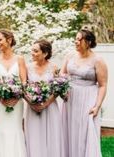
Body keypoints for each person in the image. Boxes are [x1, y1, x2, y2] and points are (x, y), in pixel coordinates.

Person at [60, 29, 108, 157]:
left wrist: (97, 106)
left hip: (88, 99)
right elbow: (62, 75)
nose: (76, 42)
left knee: (85, 132)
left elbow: (103, 85)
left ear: (88, 42)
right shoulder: (70, 56)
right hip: (70, 99)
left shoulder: (98, 60)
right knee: (70, 131)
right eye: (75, 39)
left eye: (79, 39)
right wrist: (62, 91)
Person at [0, 29, 27, 157]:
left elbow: (24, 81)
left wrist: (17, 96)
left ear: (9, 40)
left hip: (16, 103)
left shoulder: (20, 59)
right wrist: (0, 97)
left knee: (15, 129)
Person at [24, 40, 64, 157]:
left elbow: (57, 89)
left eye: (36, 51)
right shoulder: (27, 67)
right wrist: (32, 103)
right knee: (34, 135)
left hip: (50, 108)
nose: (32, 53)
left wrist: (46, 104)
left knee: (51, 136)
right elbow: (23, 88)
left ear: (45, 53)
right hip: (32, 109)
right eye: (32, 50)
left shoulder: (54, 68)